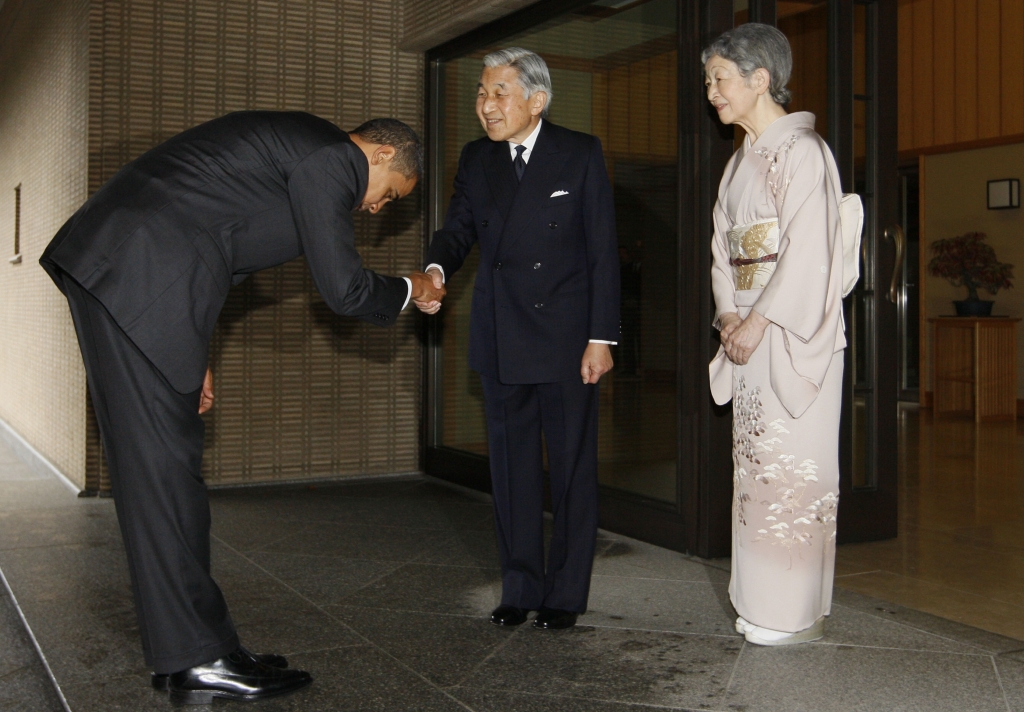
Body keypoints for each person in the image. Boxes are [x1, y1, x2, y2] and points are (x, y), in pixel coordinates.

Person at [40, 112, 445, 704]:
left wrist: (192, 346)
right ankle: (197, 657)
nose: (377, 209)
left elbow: (217, 243)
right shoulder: (331, 158)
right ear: (382, 154)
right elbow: (344, 288)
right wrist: (412, 287)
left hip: (144, 281)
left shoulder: (302, 154)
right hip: (137, 276)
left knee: (161, 473)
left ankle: (195, 650)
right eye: (389, 196)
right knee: (163, 477)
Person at [416, 48, 620, 630]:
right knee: (511, 470)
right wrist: (435, 270)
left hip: (568, 340)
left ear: (537, 99)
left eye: (499, 93)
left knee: (573, 469)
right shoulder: (477, 159)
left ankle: (565, 593)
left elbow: (602, 251)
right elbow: (456, 230)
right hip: (502, 333)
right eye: (481, 94)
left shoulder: (579, 153)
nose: (486, 106)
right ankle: (520, 583)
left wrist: (601, 337)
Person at [703, 24, 846, 646]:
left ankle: (787, 610)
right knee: (755, 471)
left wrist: (759, 319)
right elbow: (721, 251)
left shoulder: (803, 151)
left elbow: (811, 250)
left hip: (787, 336)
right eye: (708, 81)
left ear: (760, 80)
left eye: (720, 79)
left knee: (793, 469)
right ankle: (762, 598)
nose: (711, 92)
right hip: (751, 336)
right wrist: (729, 315)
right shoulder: (740, 161)